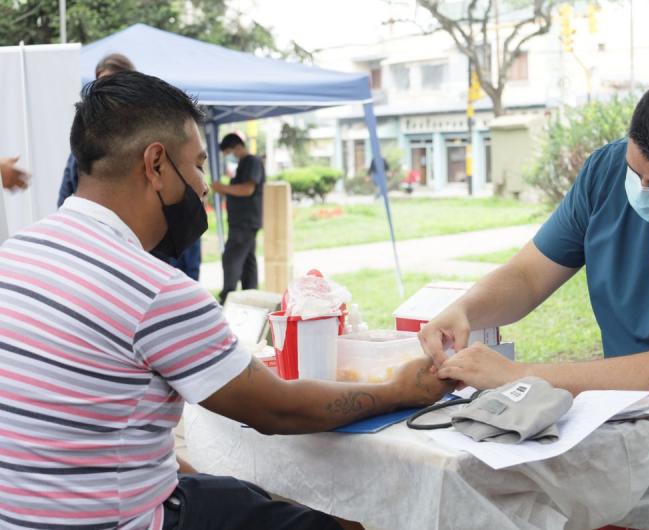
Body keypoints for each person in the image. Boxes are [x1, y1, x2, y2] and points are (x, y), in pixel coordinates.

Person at [0, 71, 451, 530]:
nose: (202, 187)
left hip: (27, 513)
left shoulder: (15, 254)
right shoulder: (154, 289)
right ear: (156, 165)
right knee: (341, 526)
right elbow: (277, 408)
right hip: (119, 522)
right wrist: (399, 391)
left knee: (239, 492)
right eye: (197, 165)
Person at [419, 75, 649, 530]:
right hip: (627, 404)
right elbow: (527, 276)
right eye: (635, 172)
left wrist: (520, 377)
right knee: (520, 479)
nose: (641, 191)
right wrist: (466, 308)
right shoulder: (604, 175)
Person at [55, 52, 202, 280]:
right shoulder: (82, 154)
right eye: (100, 86)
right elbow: (66, 201)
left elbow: (186, 246)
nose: (106, 96)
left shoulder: (172, 148)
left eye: (116, 86)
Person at [213, 133, 266, 304]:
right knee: (248, 261)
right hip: (243, 221)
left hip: (245, 221)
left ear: (237, 147)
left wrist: (223, 188)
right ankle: (251, 296)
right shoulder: (245, 163)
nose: (229, 156)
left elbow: (247, 189)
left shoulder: (252, 162)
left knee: (232, 258)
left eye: (228, 152)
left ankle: (227, 296)